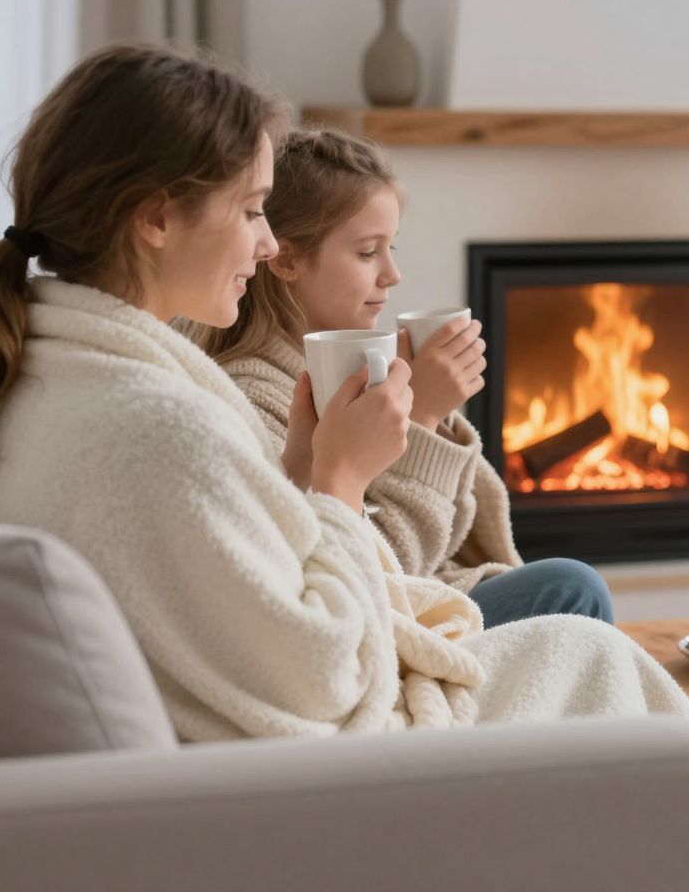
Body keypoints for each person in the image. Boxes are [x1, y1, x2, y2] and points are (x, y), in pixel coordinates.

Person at [0, 43, 689, 890]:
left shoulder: (52, 381)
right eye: (253, 210)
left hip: (241, 761)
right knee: (590, 652)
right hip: (306, 794)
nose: (264, 245)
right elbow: (324, 684)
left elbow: (237, 585)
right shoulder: (153, 428)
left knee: (579, 640)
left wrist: (300, 469)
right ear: (154, 216)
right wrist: (338, 481)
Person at [196, 127, 611, 627]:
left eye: (393, 248)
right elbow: (382, 567)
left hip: (411, 597)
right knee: (571, 588)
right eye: (368, 252)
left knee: (570, 590)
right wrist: (425, 419)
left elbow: (451, 539)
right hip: (377, 618)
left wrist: (425, 415)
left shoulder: (352, 374)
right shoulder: (254, 397)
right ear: (286, 259)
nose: (392, 275)